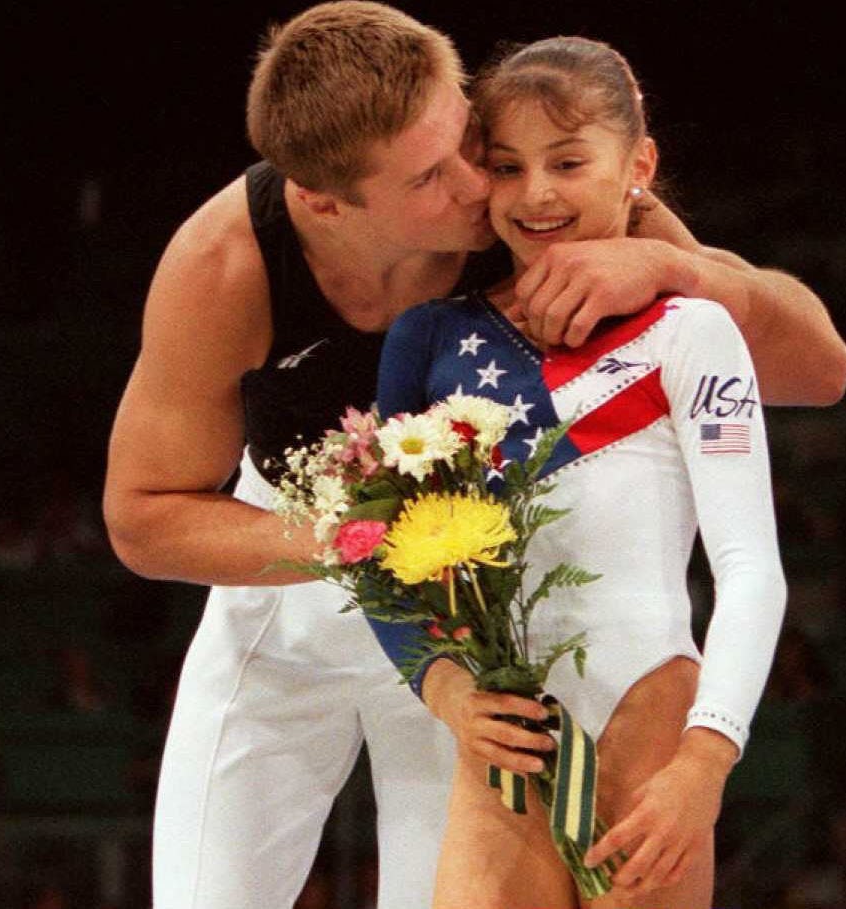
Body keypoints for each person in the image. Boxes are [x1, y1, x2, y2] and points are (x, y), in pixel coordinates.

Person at [102, 3, 843, 908]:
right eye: (428, 175)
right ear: (323, 201)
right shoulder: (227, 261)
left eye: (465, 140)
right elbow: (142, 518)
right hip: (291, 585)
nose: (474, 185)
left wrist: (675, 268)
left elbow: (819, 368)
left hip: (470, 617)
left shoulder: (531, 199)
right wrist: (376, 538)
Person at [374, 36, 787, 908]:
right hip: (504, 731)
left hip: (651, 722)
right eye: (507, 166)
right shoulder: (428, 338)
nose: (536, 193)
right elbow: (380, 553)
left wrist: (704, 760)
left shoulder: (691, 330)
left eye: (567, 162)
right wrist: (448, 693)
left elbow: (750, 566)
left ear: (638, 165)